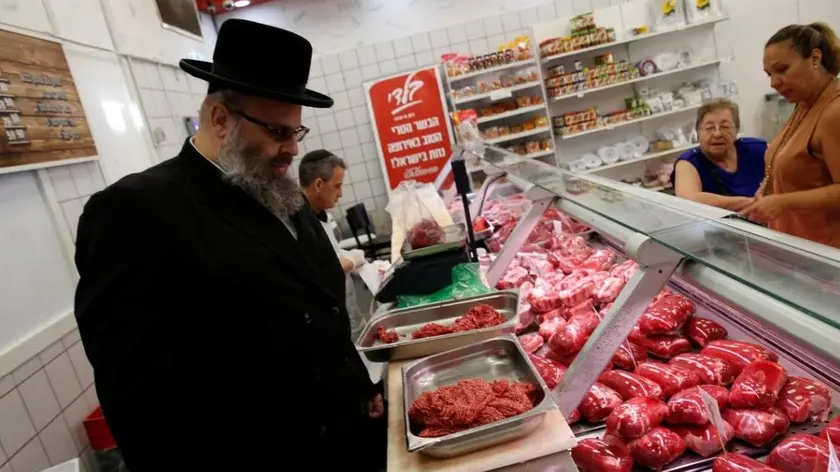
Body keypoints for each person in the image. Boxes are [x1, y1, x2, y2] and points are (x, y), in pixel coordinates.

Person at [73, 20, 385, 471]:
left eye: (296, 133)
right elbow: (135, 394)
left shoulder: (276, 189)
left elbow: (319, 306)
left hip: (340, 441)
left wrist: (358, 386)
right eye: (278, 132)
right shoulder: (137, 209)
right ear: (220, 119)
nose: (292, 151)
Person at [741, 22, 840, 247]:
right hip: (800, 248)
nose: (774, 83)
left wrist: (783, 202)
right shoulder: (803, 105)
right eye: (769, 74)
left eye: (782, 69)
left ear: (815, 59)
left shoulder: (834, 111)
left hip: (829, 254)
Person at [299, 149, 369, 342]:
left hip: (345, 312)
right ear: (319, 184)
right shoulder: (299, 223)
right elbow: (315, 276)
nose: (341, 193)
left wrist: (349, 258)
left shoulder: (320, 213)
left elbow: (329, 253)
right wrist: (349, 263)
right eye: (337, 186)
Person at [671, 99, 767, 211]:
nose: (717, 134)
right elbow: (688, 200)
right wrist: (750, 202)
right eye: (709, 128)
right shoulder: (688, 163)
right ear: (698, 132)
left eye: (725, 127)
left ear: (736, 130)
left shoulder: (756, 149)